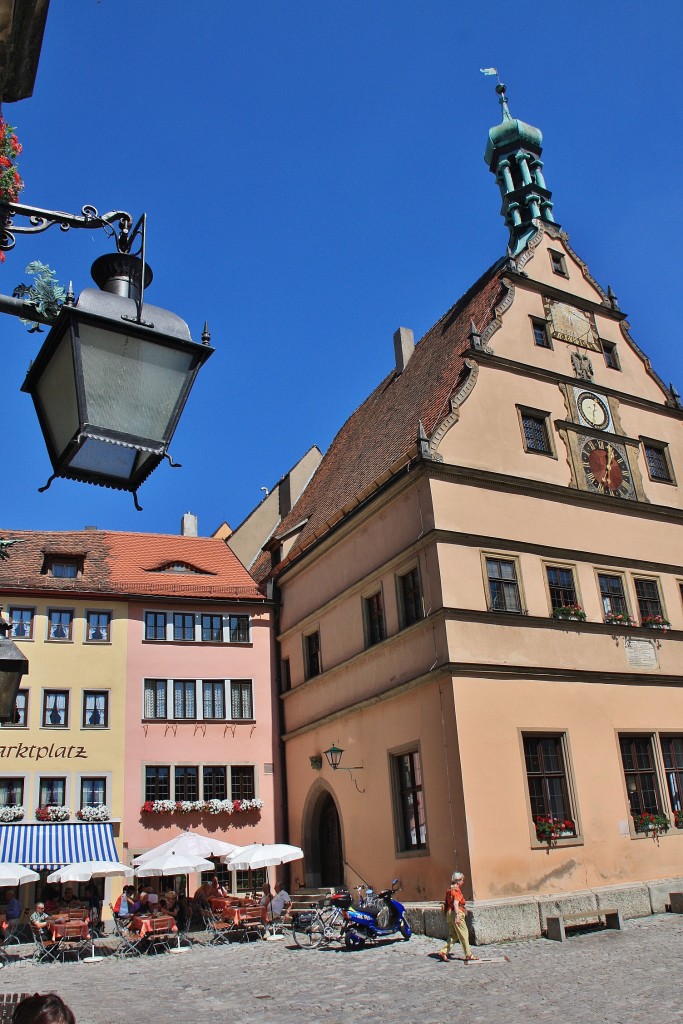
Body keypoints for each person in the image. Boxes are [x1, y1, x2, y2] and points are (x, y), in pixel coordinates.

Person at [438, 871, 478, 963]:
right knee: (464, 934)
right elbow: (456, 903)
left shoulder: (449, 890)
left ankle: (444, 952)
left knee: (453, 935)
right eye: (462, 880)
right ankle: (468, 954)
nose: (463, 882)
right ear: (458, 880)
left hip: (449, 913)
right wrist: (457, 916)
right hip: (457, 913)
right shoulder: (457, 891)